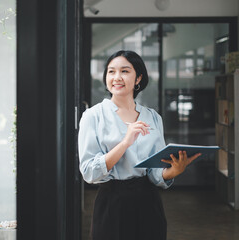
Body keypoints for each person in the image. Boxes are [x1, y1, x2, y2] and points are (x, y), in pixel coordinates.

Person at [78, 50, 202, 240]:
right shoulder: (93, 116)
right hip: (112, 203)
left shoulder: (153, 117)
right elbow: (89, 172)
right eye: (111, 72)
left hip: (148, 202)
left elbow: (155, 172)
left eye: (125, 71)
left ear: (139, 78)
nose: (116, 77)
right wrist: (125, 142)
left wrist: (173, 171)